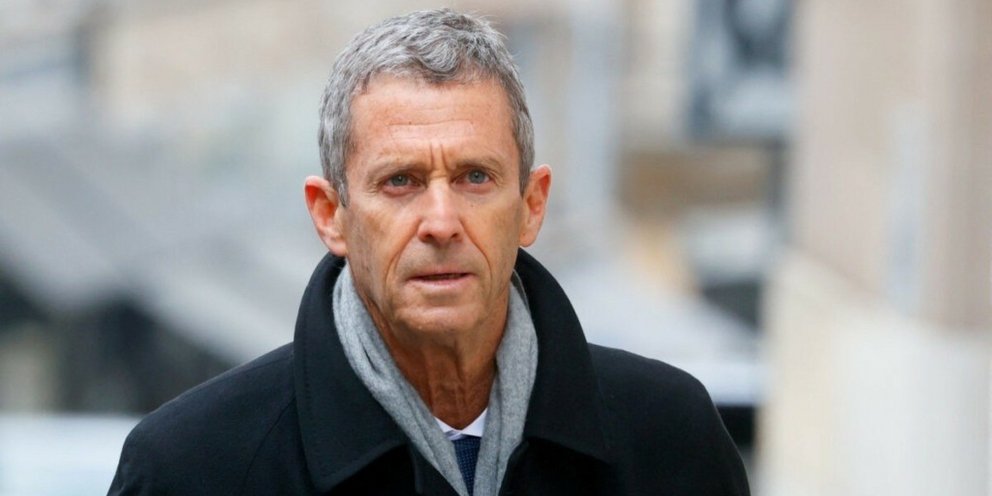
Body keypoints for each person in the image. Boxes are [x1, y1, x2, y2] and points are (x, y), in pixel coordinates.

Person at [108, 8, 749, 496]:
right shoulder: (193, 468)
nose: (441, 223)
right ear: (331, 216)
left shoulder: (668, 438)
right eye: (400, 182)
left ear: (531, 205)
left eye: (475, 177)